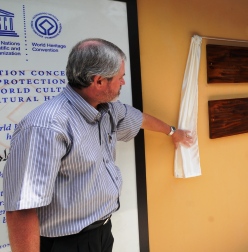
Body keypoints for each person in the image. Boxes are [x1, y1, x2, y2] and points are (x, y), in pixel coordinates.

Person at [4, 38, 193, 252]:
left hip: (101, 233)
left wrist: (172, 132)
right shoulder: (47, 127)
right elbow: (21, 209)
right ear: (99, 81)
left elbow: (140, 119)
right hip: (66, 243)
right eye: (120, 77)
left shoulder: (107, 110)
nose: (123, 82)